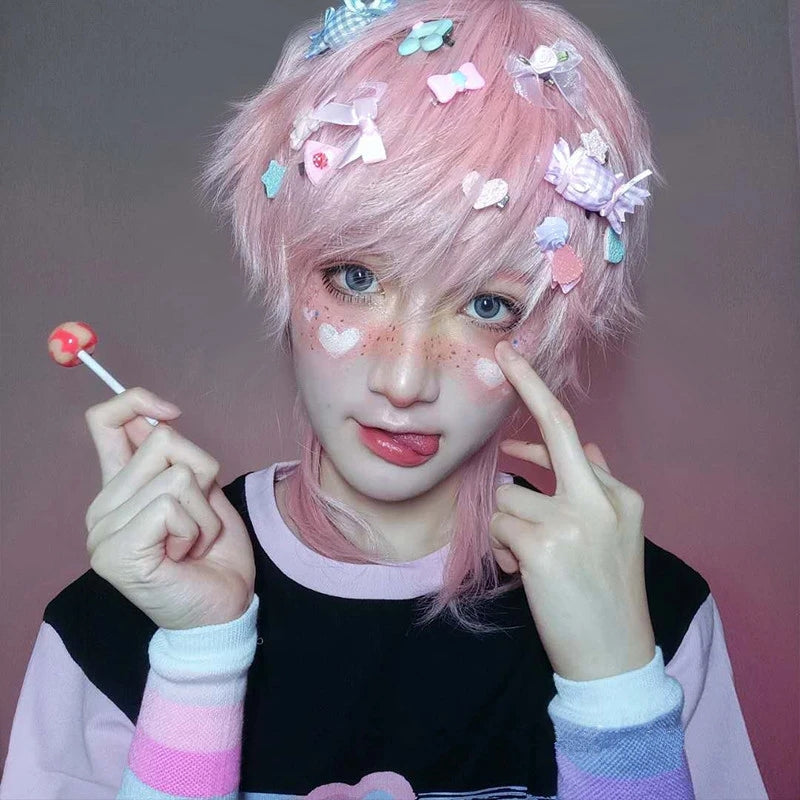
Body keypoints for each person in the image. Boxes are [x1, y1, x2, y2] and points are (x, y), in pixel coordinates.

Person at [1, 1, 768, 798]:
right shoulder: (114, 622)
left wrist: (617, 689)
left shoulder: (651, 615)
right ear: (285, 268)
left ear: (553, 328)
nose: (404, 382)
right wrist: (197, 662)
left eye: (487, 305)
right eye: (356, 279)